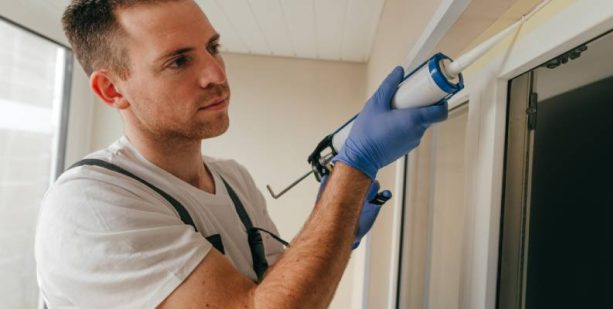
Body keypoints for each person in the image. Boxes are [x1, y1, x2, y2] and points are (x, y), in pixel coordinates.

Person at [34, 0, 447, 308]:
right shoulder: (90, 204)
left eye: (213, 47)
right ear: (112, 90)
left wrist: (341, 228)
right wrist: (354, 169)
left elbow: (275, 291)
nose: (216, 75)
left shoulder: (234, 179)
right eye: (179, 61)